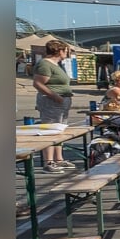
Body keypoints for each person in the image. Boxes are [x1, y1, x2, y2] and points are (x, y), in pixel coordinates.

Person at [32, 39, 76, 172]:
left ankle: (59, 159)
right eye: (66, 51)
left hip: (62, 101)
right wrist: (55, 96)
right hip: (51, 102)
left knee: (59, 129)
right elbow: (38, 83)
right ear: (59, 51)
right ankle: (48, 162)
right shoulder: (45, 64)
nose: (67, 54)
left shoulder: (57, 65)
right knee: (50, 129)